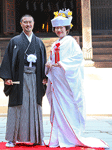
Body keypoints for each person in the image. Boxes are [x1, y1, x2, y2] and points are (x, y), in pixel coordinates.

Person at [45, 9, 109, 148]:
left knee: (68, 108)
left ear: (66, 29)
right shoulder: (57, 43)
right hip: (56, 82)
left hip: (66, 82)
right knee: (57, 110)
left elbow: (77, 58)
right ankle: (57, 139)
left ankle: (70, 137)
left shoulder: (70, 42)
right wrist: (48, 66)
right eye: (56, 28)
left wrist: (59, 64)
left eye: (61, 28)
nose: (58, 30)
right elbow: (51, 59)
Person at [0, 14, 47, 147]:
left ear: (33, 23)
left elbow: (43, 62)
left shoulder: (39, 43)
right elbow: (8, 60)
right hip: (19, 79)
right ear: (21, 24)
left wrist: (44, 77)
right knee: (16, 107)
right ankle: (12, 139)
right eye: (25, 22)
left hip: (35, 79)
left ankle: (38, 137)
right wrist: (7, 77)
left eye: (30, 22)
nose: (28, 25)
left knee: (35, 107)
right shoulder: (15, 41)